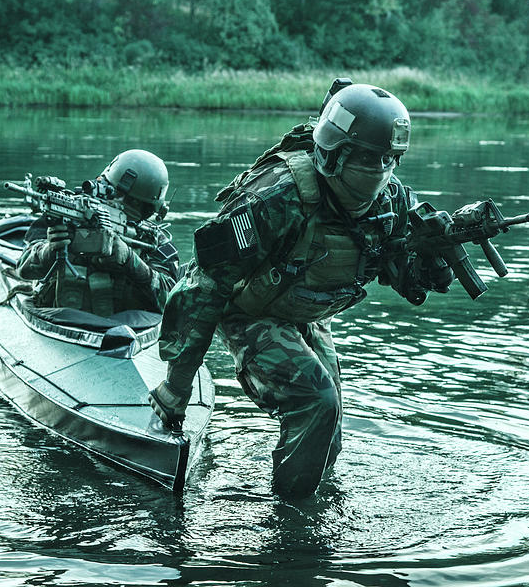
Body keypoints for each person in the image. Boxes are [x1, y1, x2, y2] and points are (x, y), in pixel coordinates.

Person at [148, 81, 455, 498]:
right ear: (335, 154)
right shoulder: (277, 196)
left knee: (330, 424)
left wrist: (431, 264)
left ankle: (312, 503)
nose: (378, 170)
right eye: (366, 158)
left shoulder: (391, 200)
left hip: (309, 310)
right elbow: (204, 284)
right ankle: (292, 527)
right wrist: (176, 387)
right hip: (249, 308)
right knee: (316, 401)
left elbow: (398, 271)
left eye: (388, 159)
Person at [17, 149, 180, 316]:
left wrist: (130, 261)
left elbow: (173, 302)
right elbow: (23, 269)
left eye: (132, 202)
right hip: (58, 321)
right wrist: (49, 250)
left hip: (127, 329)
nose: (117, 203)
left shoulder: (154, 241)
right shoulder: (66, 213)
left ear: (147, 210)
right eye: (114, 192)